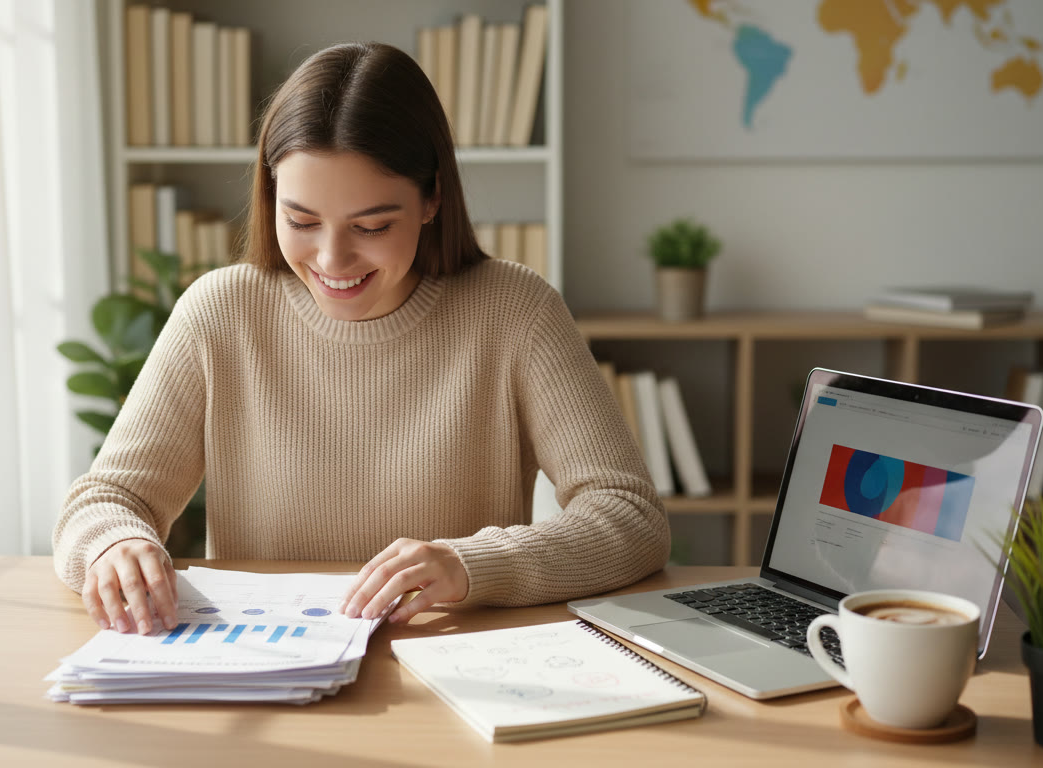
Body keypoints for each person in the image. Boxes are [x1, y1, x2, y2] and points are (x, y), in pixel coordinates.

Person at [52, 41, 669, 635]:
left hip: (450, 669)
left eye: (371, 225)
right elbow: (103, 500)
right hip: (266, 669)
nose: (332, 258)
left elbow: (630, 516)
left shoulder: (513, 311)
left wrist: (472, 564)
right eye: (301, 220)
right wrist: (117, 542)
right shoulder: (221, 313)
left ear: (432, 198)